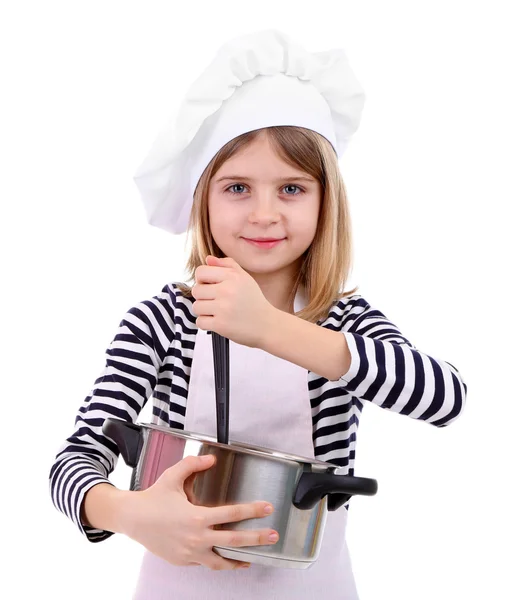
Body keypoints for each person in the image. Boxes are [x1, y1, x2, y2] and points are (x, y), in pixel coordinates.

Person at [48, 29, 468, 599]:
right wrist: (126, 513)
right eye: (238, 187)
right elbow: (74, 461)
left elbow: (445, 398)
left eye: (292, 188)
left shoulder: (342, 319)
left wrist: (271, 328)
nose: (264, 214)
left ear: (326, 203)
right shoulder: (161, 322)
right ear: (204, 198)